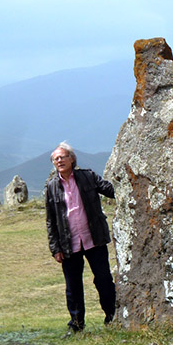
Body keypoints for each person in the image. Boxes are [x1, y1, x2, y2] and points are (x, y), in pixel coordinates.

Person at [45, 141, 116, 334]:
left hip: (94, 238)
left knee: (103, 280)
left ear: (72, 159)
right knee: (73, 286)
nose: (59, 160)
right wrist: (55, 248)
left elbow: (110, 190)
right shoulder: (51, 187)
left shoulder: (87, 176)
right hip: (69, 243)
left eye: (62, 157)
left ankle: (112, 317)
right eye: (56, 158)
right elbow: (51, 220)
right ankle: (76, 325)